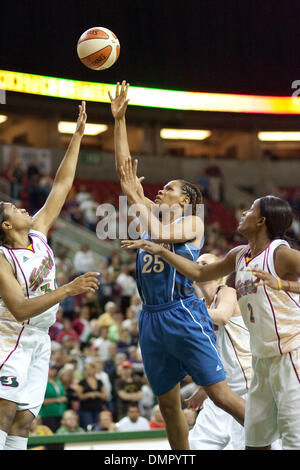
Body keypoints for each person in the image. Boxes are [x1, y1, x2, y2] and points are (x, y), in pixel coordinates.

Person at [109, 81, 245, 450]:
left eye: (167, 188)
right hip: (151, 316)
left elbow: (155, 230)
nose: (159, 191)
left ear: (184, 199)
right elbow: (124, 172)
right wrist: (119, 120)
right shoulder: (154, 216)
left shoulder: (192, 223)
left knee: (219, 395)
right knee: (169, 406)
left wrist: (138, 202)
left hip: (183, 312)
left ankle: (273, 442)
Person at [122, 195, 300, 450]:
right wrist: (162, 251)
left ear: (261, 221)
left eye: (250, 209)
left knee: (293, 441)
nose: (243, 212)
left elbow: (222, 311)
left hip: (291, 355)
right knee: (255, 443)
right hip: (261, 361)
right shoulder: (240, 255)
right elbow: (198, 273)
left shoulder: (281, 254)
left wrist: (283, 284)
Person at [0, 102, 100, 451]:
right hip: (9, 336)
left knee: (25, 420)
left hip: (40, 339)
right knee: (4, 411)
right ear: (6, 225)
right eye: (14, 208)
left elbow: (62, 184)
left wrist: (76, 135)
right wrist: (68, 289)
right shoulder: (1, 258)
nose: (24, 207)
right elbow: (20, 309)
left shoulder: (38, 232)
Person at [187, 253, 252, 450]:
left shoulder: (226, 292)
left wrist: (183, 312)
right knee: (197, 444)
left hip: (247, 386)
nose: (198, 266)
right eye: (196, 263)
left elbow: (223, 316)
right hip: (220, 388)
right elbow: (215, 353)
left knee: (250, 444)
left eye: (205, 263)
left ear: (218, 272)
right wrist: (204, 389)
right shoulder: (199, 306)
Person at [77, 361, 107, 430]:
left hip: (98, 408)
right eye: (87, 369)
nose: (89, 371)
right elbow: (79, 396)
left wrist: (97, 394)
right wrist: (89, 395)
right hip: (86, 409)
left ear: (94, 369)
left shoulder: (99, 381)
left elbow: (105, 396)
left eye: (90, 369)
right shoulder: (82, 382)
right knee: (88, 427)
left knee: (98, 427)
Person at [39, 364, 67, 433]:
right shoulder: (42, 382)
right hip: (47, 414)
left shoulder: (58, 381)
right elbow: (40, 400)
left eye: (55, 369)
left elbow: (63, 395)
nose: (54, 371)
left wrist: (64, 398)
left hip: (60, 413)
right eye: (51, 369)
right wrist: (56, 400)